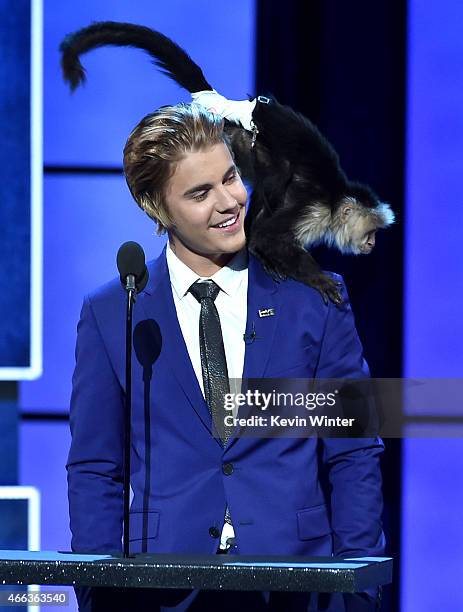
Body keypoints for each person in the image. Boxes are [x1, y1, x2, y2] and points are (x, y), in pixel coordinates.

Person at [66, 102, 385, 611]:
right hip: (162, 591)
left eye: (231, 178)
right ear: (157, 208)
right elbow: (95, 468)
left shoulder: (313, 300)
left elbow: (353, 453)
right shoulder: (114, 312)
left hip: (295, 585)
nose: (229, 202)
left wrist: (361, 590)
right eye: (200, 192)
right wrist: (99, 593)